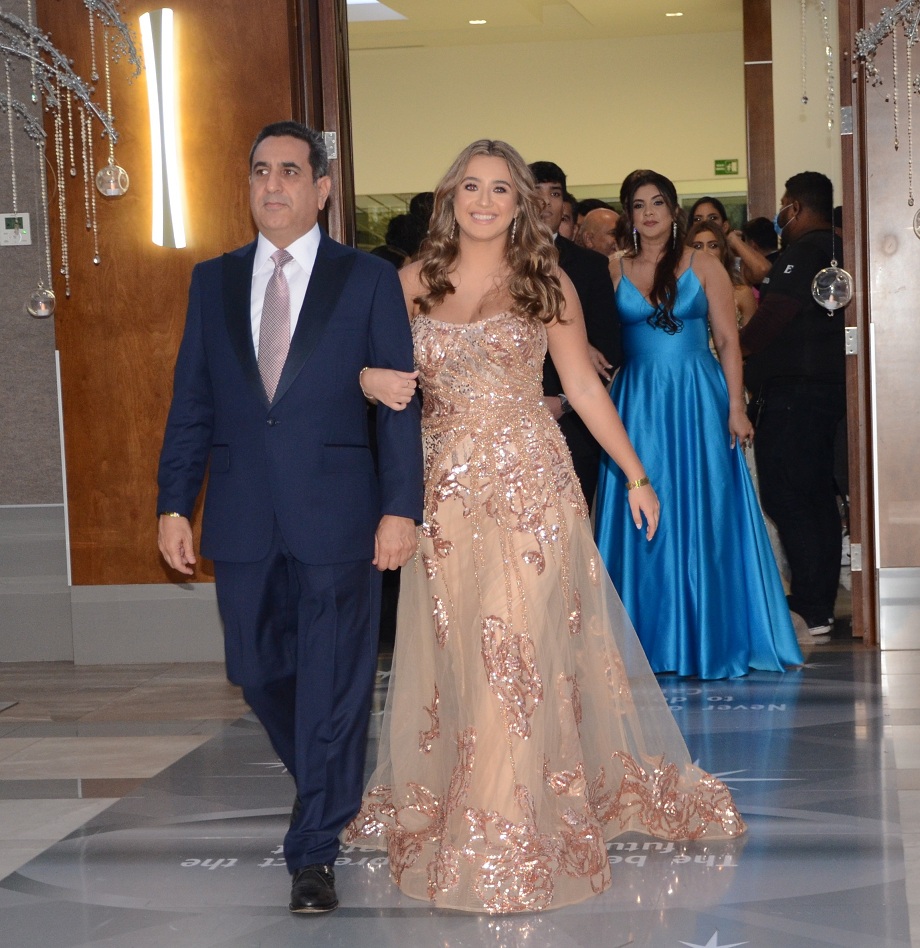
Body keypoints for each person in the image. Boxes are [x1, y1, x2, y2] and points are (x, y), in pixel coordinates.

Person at [349, 140, 744, 914]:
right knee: (465, 654)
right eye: (472, 185)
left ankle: (506, 832)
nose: (486, 200)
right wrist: (365, 379)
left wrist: (635, 474)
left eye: (502, 188)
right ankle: (469, 797)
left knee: (514, 652)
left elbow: (585, 394)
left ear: (523, 202)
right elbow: (357, 377)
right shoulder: (403, 285)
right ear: (449, 195)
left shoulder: (545, 280)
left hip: (532, 491)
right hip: (446, 503)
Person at [155, 121, 424, 915]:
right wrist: (175, 502)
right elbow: (192, 402)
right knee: (258, 671)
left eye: (290, 172)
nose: (273, 185)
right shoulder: (213, 280)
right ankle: (331, 782)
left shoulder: (366, 280)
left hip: (339, 518)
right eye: (260, 172)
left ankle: (313, 852)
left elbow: (399, 405)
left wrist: (398, 509)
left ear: (322, 188)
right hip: (240, 518)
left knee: (336, 688)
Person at [594, 169, 802, 680]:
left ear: (674, 210)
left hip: (698, 399)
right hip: (636, 403)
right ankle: (648, 642)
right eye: (638, 204)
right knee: (640, 509)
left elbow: (730, 342)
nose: (649, 212)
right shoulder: (611, 269)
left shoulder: (704, 264)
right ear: (629, 215)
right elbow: (590, 334)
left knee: (704, 508)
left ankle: (711, 636)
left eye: (658, 202)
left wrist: (736, 406)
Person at [740, 171, 846, 638]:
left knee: (788, 496)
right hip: (821, 394)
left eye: (785, 204)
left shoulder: (803, 252)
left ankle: (809, 603)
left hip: (793, 397)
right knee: (815, 497)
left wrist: (733, 347)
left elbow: (773, 317)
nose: (782, 213)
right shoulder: (839, 247)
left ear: (796, 208)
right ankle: (818, 600)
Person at [528, 160, 621, 509]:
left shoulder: (590, 266)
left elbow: (610, 350)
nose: (545, 202)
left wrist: (564, 401)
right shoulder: (495, 259)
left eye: (554, 194)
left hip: (573, 422)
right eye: (536, 192)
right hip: (507, 420)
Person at [686, 219, 757, 326]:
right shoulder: (680, 294)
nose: (705, 252)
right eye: (697, 246)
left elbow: (752, 340)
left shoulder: (742, 294)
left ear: (723, 251)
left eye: (713, 246)